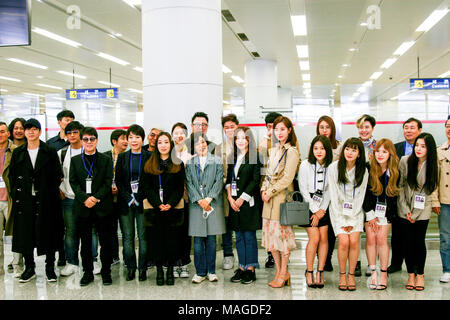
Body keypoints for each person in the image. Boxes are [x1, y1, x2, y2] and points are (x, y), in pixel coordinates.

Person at [8, 118, 64, 283]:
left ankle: (49, 267)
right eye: (28, 129)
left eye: (34, 129)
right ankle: (29, 267)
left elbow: (57, 175)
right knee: (26, 234)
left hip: (45, 200)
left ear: (39, 131)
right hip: (25, 200)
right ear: (24, 133)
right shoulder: (18, 152)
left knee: (48, 233)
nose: (30, 132)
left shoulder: (49, 151)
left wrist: (49, 192)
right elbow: (12, 176)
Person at [69, 127, 114, 286]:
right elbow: (73, 182)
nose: (89, 142)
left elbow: (108, 181)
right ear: (82, 141)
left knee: (105, 242)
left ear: (96, 140)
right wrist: (85, 199)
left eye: (92, 139)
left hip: (102, 207)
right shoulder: (75, 160)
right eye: (86, 139)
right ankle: (87, 273)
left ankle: (106, 272)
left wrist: (94, 198)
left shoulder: (106, 159)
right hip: (83, 208)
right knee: (85, 243)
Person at [260, 116, 300, 288]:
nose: (279, 132)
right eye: (277, 129)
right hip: (268, 200)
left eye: (283, 129)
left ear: (289, 130)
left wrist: (269, 191)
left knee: (282, 239)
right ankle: (280, 272)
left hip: (281, 199)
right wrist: (263, 189)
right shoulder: (273, 149)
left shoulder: (292, 151)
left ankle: (284, 273)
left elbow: (287, 178)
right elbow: (267, 174)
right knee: (271, 241)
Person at [397, 132, 440, 291]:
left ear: (430, 149)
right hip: (405, 208)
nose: (419, 149)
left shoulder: (434, 166)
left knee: (419, 242)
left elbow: (427, 191)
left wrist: (414, 214)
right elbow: (400, 186)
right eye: (417, 145)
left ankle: (420, 274)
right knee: (407, 242)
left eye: (423, 146)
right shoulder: (405, 161)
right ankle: (410, 274)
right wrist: (406, 209)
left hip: (422, 211)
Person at [142, 132, 185, 285]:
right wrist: (157, 203)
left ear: (171, 144)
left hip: (172, 209)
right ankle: (159, 270)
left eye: (166, 142)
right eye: (160, 142)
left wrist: (170, 204)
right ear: (156, 145)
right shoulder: (149, 163)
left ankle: (170, 270)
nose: (163, 145)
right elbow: (146, 187)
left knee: (172, 241)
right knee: (156, 241)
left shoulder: (177, 163)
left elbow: (180, 188)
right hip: (155, 209)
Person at [328, 137, 369, 291]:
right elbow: (333, 194)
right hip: (338, 212)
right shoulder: (333, 168)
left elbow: (360, 195)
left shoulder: (363, 170)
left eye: (354, 150)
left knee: (354, 242)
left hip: (356, 213)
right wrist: (342, 219)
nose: (349, 152)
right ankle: (342, 274)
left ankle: (351, 275)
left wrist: (351, 219)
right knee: (344, 242)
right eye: (347, 148)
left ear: (359, 154)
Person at [185, 133, 225, 283]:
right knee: (197, 241)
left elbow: (219, 181)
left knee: (212, 240)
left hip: (212, 203)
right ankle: (200, 272)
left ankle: (211, 271)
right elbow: (189, 184)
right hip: (196, 205)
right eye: (197, 143)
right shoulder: (190, 163)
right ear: (193, 147)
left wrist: (209, 198)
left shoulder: (217, 161)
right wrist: (199, 200)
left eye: (203, 142)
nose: (201, 145)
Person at [362, 139, 400, 290]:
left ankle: (384, 273)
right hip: (370, 212)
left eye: (384, 151)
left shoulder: (395, 171)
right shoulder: (367, 168)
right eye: (378, 151)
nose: (380, 154)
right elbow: (363, 194)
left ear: (390, 153)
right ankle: (373, 273)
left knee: (382, 239)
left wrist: (384, 217)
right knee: (371, 239)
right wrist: (370, 215)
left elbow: (395, 197)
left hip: (386, 214)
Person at [226, 126, 261, 284]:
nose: (240, 141)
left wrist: (241, 198)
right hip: (234, 203)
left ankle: (250, 269)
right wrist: (230, 197)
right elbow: (228, 181)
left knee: (249, 236)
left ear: (249, 140)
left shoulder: (255, 156)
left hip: (248, 203)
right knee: (238, 237)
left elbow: (255, 181)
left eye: (243, 138)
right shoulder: (232, 157)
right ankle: (241, 267)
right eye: (237, 138)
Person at [115, 125, 151, 281]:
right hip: (126, 202)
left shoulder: (149, 156)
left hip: (143, 201)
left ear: (142, 139)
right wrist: (129, 197)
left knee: (143, 237)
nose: (134, 140)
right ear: (127, 139)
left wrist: (139, 197)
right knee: (128, 237)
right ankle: (131, 267)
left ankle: (142, 268)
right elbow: (119, 181)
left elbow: (150, 181)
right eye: (130, 137)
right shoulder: (122, 156)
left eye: (137, 137)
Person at [298, 135, 333, 288]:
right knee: (315, 237)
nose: (319, 151)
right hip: (309, 205)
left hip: (325, 206)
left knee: (324, 237)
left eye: (322, 148)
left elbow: (331, 190)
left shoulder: (332, 166)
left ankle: (320, 271)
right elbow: (303, 190)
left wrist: (321, 211)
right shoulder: (305, 164)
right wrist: (314, 210)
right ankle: (309, 271)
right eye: (316, 148)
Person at [389, 117, 423, 274]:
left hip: (419, 198)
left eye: (412, 128)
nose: (408, 131)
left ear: (419, 131)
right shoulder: (396, 149)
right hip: (399, 196)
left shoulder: (425, 149)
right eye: (406, 128)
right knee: (397, 233)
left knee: (416, 235)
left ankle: (416, 266)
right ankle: (396, 263)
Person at [58, 121, 84, 277]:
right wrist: (59, 191)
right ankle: (71, 262)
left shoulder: (88, 150)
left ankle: (92, 261)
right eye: (69, 133)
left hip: (87, 199)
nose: (72, 136)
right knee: (70, 232)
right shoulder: (61, 153)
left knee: (91, 231)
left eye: (75, 132)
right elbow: (57, 176)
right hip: (68, 198)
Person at [316, 115, 341, 272]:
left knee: (330, 230)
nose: (324, 130)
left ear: (332, 129)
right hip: (318, 194)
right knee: (320, 229)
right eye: (321, 127)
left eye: (327, 127)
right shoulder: (315, 145)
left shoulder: (339, 147)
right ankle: (321, 259)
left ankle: (328, 259)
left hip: (335, 194)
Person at [257, 112, 281, 269]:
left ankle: (282, 253)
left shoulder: (289, 142)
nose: (272, 130)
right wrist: (268, 141)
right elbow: (260, 158)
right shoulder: (263, 141)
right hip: (265, 187)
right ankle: (270, 255)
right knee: (267, 224)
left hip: (281, 188)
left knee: (280, 225)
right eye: (269, 127)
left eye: (275, 127)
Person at [103, 129, 128, 267]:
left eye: (127, 138)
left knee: (126, 230)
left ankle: (127, 257)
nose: (126, 141)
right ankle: (113, 256)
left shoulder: (128, 157)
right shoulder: (105, 157)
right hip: (108, 199)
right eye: (123, 138)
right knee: (111, 229)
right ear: (114, 141)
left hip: (123, 198)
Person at [355, 114, 376, 276]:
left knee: (370, 231)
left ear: (372, 128)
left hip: (371, 194)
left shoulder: (378, 147)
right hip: (354, 195)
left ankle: (371, 263)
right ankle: (355, 262)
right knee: (354, 232)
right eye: (361, 127)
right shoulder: (352, 145)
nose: (364, 130)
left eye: (367, 127)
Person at [171, 122, 193, 278]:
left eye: (182, 133)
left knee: (185, 232)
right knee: (172, 233)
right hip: (170, 201)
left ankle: (184, 263)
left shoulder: (191, 154)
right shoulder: (166, 153)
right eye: (176, 133)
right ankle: (173, 263)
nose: (179, 136)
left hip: (186, 199)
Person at [218, 114, 239, 271]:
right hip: (226, 193)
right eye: (226, 127)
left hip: (242, 193)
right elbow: (219, 171)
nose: (230, 130)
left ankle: (243, 256)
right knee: (226, 225)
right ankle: (227, 255)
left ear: (237, 127)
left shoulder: (246, 146)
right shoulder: (219, 148)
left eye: (232, 126)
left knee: (240, 225)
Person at [0, 122, 18, 275]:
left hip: (11, 198)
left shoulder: (16, 151)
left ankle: (18, 265)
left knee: (15, 234)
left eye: (2, 131)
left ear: (8, 133)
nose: (0, 134)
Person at [437, 116, 450, 283]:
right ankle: (447, 268)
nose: (449, 129)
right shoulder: (439, 150)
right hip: (445, 200)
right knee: (445, 236)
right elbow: (433, 180)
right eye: (447, 126)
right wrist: (434, 201)